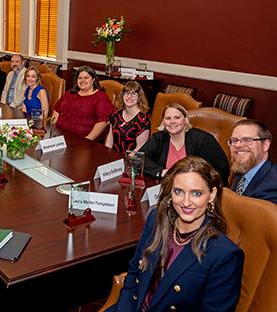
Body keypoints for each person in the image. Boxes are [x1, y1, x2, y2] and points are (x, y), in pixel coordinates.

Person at [107, 156, 244, 312]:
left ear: (211, 195)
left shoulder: (225, 255)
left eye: (196, 194)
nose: (186, 202)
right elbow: (133, 275)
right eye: (178, 191)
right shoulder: (156, 220)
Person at [139, 103, 230, 183]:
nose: (172, 122)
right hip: (167, 188)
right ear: (163, 121)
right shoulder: (159, 138)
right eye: (168, 118)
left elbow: (222, 170)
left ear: (185, 120)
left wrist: (197, 180)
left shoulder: (202, 139)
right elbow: (138, 157)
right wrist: (161, 172)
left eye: (177, 117)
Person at [52, 66, 114, 141]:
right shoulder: (70, 93)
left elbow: (103, 122)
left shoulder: (101, 97)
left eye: (86, 78)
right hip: (59, 136)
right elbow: (56, 110)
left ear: (93, 80)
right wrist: (53, 131)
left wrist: (87, 140)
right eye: (80, 78)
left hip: (82, 140)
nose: (82, 80)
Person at [229, 119, 277, 203]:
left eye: (247, 140)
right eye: (234, 140)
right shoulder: (240, 173)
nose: (237, 145)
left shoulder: (273, 186)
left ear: (265, 145)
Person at [105, 81, 150, 154]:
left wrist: (126, 161)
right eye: (127, 93)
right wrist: (107, 154)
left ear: (139, 97)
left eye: (133, 94)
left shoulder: (143, 120)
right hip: (114, 157)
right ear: (122, 95)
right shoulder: (115, 115)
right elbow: (110, 139)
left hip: (132, 159)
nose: (129, 96)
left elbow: (141, 147)